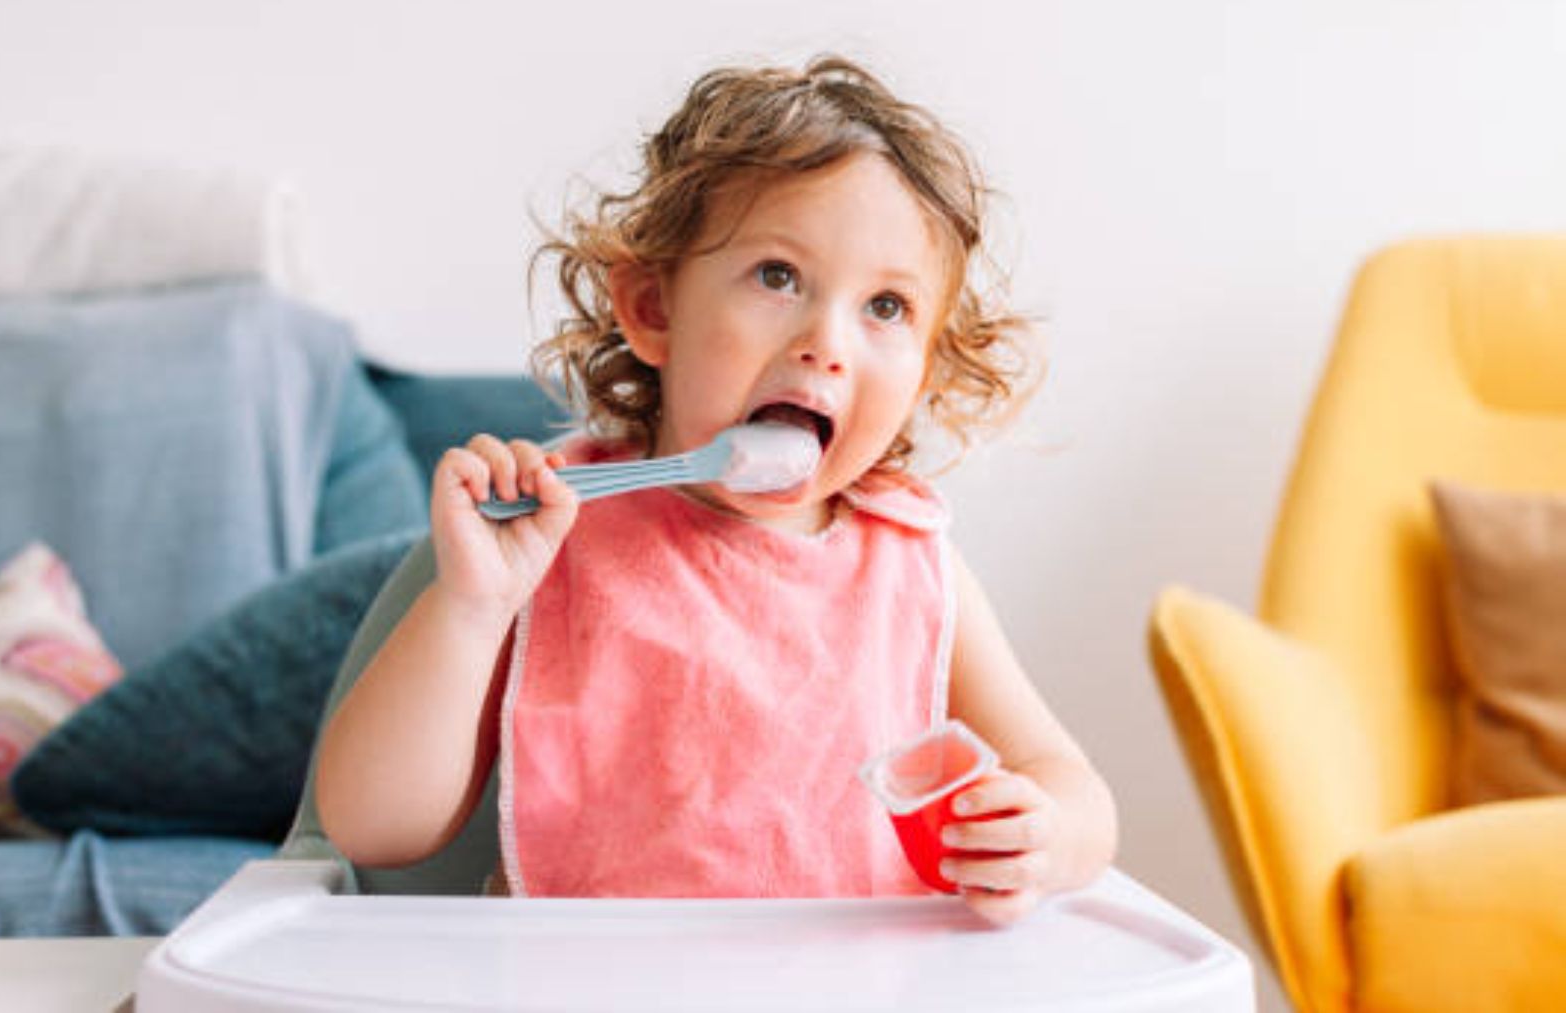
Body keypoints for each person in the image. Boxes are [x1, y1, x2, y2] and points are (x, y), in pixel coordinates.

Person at [314, 54, 1116, 925]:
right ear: (654, 309)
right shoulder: (557, 537)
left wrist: (1042, 836)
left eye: (886, 307)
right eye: (779, 276)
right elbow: (372, 828)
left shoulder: (914, 567)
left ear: (925, 365)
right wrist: (471, 607)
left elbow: (1073, 789)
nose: (827, 342)